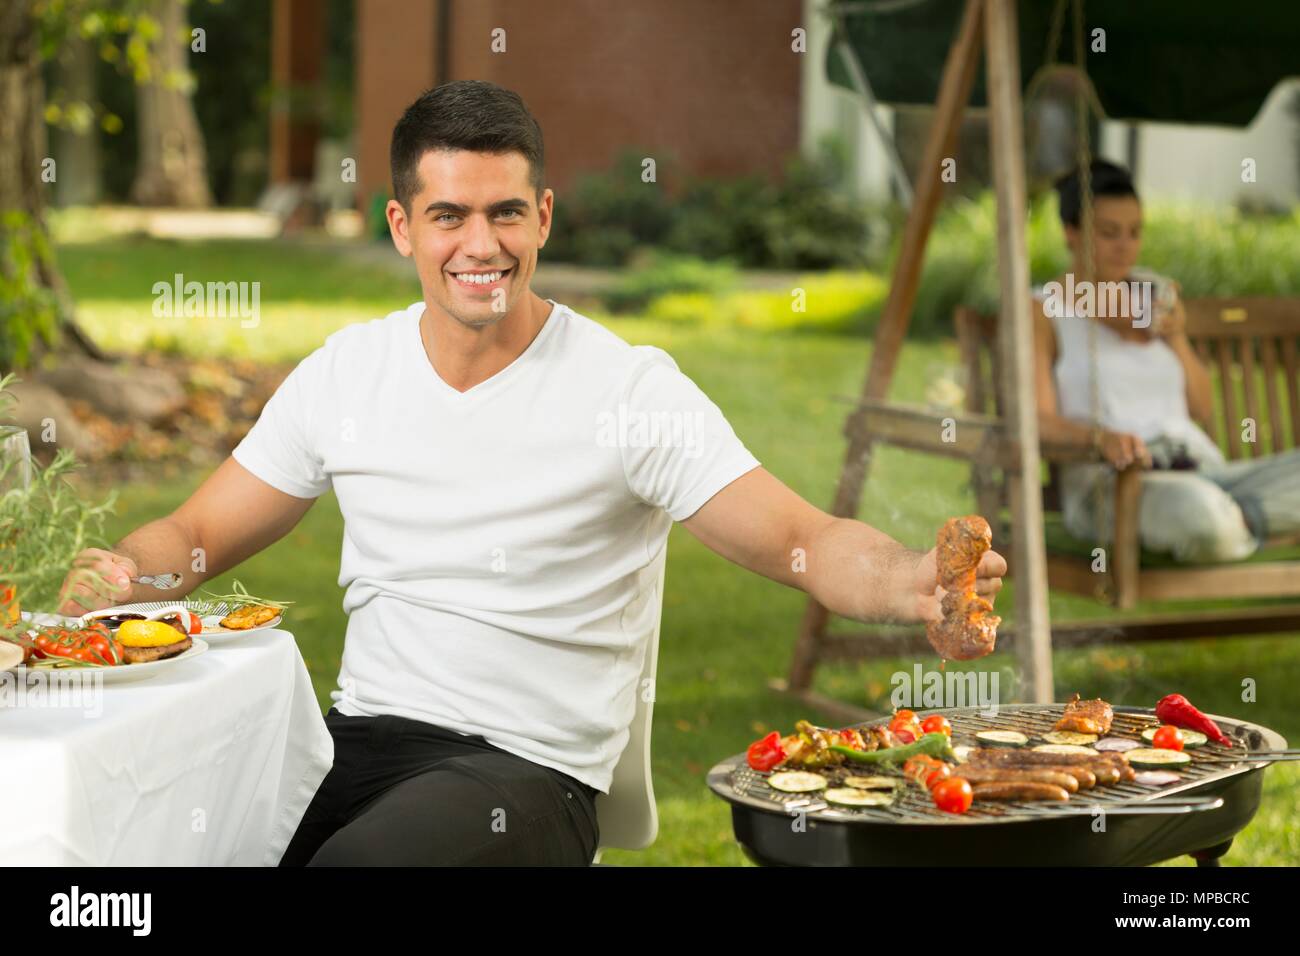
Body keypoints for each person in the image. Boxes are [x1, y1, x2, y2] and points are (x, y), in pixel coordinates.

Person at [57, 80, 1004, 866]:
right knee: (135, 848)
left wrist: (912, 581)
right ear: (400, 226)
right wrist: (118, 579)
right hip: (350, 746)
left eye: (506, 212)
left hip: (527, 775)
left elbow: (800, 539)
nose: (482, 245)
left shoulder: (628, 390)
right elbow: (192, 538)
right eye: (449, 216)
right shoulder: (347, 373)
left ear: (542, 216)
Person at [1032, 159, 1300, 563]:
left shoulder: (1151, 300)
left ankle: (1239, 520)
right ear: (1071, 232)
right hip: (1119, 483)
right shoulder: (1044, 310)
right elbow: (1036, 421)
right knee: (1200, 514)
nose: (1125, 245)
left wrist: (1175, 335)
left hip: (1203, 470)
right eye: (1108, 233)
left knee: (1207, 504)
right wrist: (1099, 438)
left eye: (1134, 232)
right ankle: (1242, 518)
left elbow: (1202, 408)